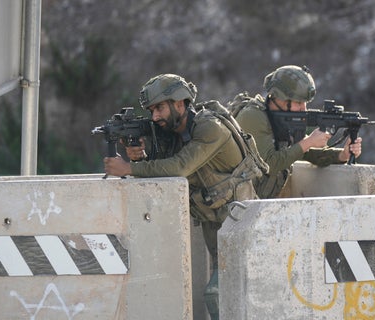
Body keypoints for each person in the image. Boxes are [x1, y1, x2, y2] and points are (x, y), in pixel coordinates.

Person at [104, 73, 261, 320]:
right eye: (151, 111)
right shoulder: (177, 134)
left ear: (179, 103)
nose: (155, 117)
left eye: (159, 108)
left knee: (217, 294)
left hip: (244, 228)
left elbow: (179, 168)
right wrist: (140, 158)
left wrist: (129, 168)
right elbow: (167, 175)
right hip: (218, 230)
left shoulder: (210, 128)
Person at [230, 65, 363, 199]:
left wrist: (342, 155)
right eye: (298, 103)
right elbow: (269, 164)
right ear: (281, 98)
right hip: (237, 204)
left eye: (305, 103)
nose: (303, 108)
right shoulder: (253, 117)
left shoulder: (281, 117)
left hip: (257, 200)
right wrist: (309, 141)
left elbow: (304, 152)